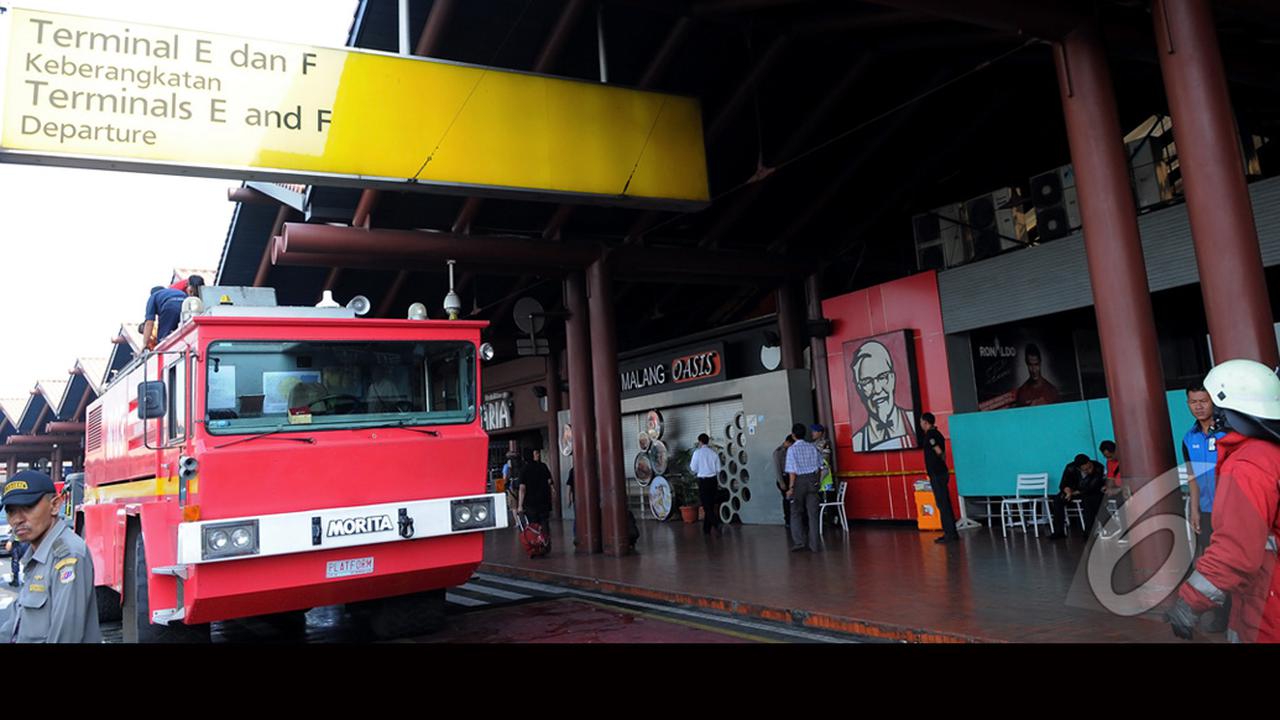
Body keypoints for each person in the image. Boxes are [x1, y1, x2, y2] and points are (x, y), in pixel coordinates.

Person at [1167, 360, 1280, 643]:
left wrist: (1189, 602)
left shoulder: (1249, 461)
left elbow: (1236, 549)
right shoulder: (1269, 451)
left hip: (1269, 598)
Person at [0, 470, 101, 643]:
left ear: (55, 505)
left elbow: (66, 636)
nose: (17, 519)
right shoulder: (37, 555)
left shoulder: (67, 556)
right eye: (11, 511)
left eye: (27, 507)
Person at [1180, 383, 1230, 632]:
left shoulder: (1229, 433)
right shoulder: (1189, 438)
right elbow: (1192, 477)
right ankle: (1223, 615)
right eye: (1193, 402)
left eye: (1204, 401)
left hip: (1233, 510)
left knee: (1239, 561)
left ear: (1213, 402)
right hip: (1208, 511)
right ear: (1188, 404)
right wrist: (1194, 509)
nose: (1199, 406)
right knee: (1215, 564)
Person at [850, 341, 917, 451]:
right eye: (867, 381)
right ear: (859, 389)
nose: (877, 389)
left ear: (892, 379)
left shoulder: (914, 423)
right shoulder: (858, 441)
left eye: (882, 377)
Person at [920, 413, 959, 544]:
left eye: (921, 422)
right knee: (944, 503)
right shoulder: (938, 434)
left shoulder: (931, 435)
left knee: (942, 503)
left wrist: (937, 464)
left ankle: (950, 533)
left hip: (937, 474)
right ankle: (950, 531)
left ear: (925, 422)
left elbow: (938, 451)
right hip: (940, 472)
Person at [786, 422, 824, 552]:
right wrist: (817, 481)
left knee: (796, 512)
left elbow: (792, 472)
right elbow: (820, 466)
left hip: (799, 482)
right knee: (813, 514)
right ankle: (815, 545)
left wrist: (791, 488)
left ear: (793, 435)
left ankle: (799, 542)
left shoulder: (791, 450)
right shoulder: (812, 447)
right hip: (812, 480)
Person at [1048, 454, 1105, 539]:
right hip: (1074, 491)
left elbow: (1092, 486)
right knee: (1058, 500)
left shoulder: (1098, 467)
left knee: (1088, 501)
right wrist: (1067, 490)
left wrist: (1074, 493)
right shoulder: (1070, 468)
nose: (1089, 471)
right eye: (1085, 470)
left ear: (1090, 462)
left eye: (1090, 467)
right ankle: (1059, 531)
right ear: (1079, 468)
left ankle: (1088, 532)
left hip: (1091, 492)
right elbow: (1064, 483)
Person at [142, 275, 204, 349]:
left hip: (170, 306)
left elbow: (149, 322)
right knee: (179, 333)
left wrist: (144, 344)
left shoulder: (153, 297)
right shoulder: (174, 290)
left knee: (163, 339)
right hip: (185, 304)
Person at [689, 434, 722, 536]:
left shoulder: (697, 453)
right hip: (713, 481)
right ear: (708, 441)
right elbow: (718, 469)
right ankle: (706, 529)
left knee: (706, 506)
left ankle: (716, 523)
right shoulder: (714, 453)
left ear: (700, 441)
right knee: (710, 505)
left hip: (703, 481)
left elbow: (693, 468)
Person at [515, 448, 554, 531]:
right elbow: (549, 481)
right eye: (536, 453)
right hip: (544, 501)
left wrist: (520, 505)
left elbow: (522, 488)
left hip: (530, 503)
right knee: (544, 523)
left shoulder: (524, 470)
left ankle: (536, 541)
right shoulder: (543, 466)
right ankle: (546, 541)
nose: (538, 455)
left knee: (533, 525)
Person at [773, 435, 795, 529]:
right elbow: (777, 468)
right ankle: (788, 520)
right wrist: (781, 482)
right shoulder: (778, 452)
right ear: (787, 442)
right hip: (784, 478)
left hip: (791, 477)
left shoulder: (791, 451)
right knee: (787, 500)